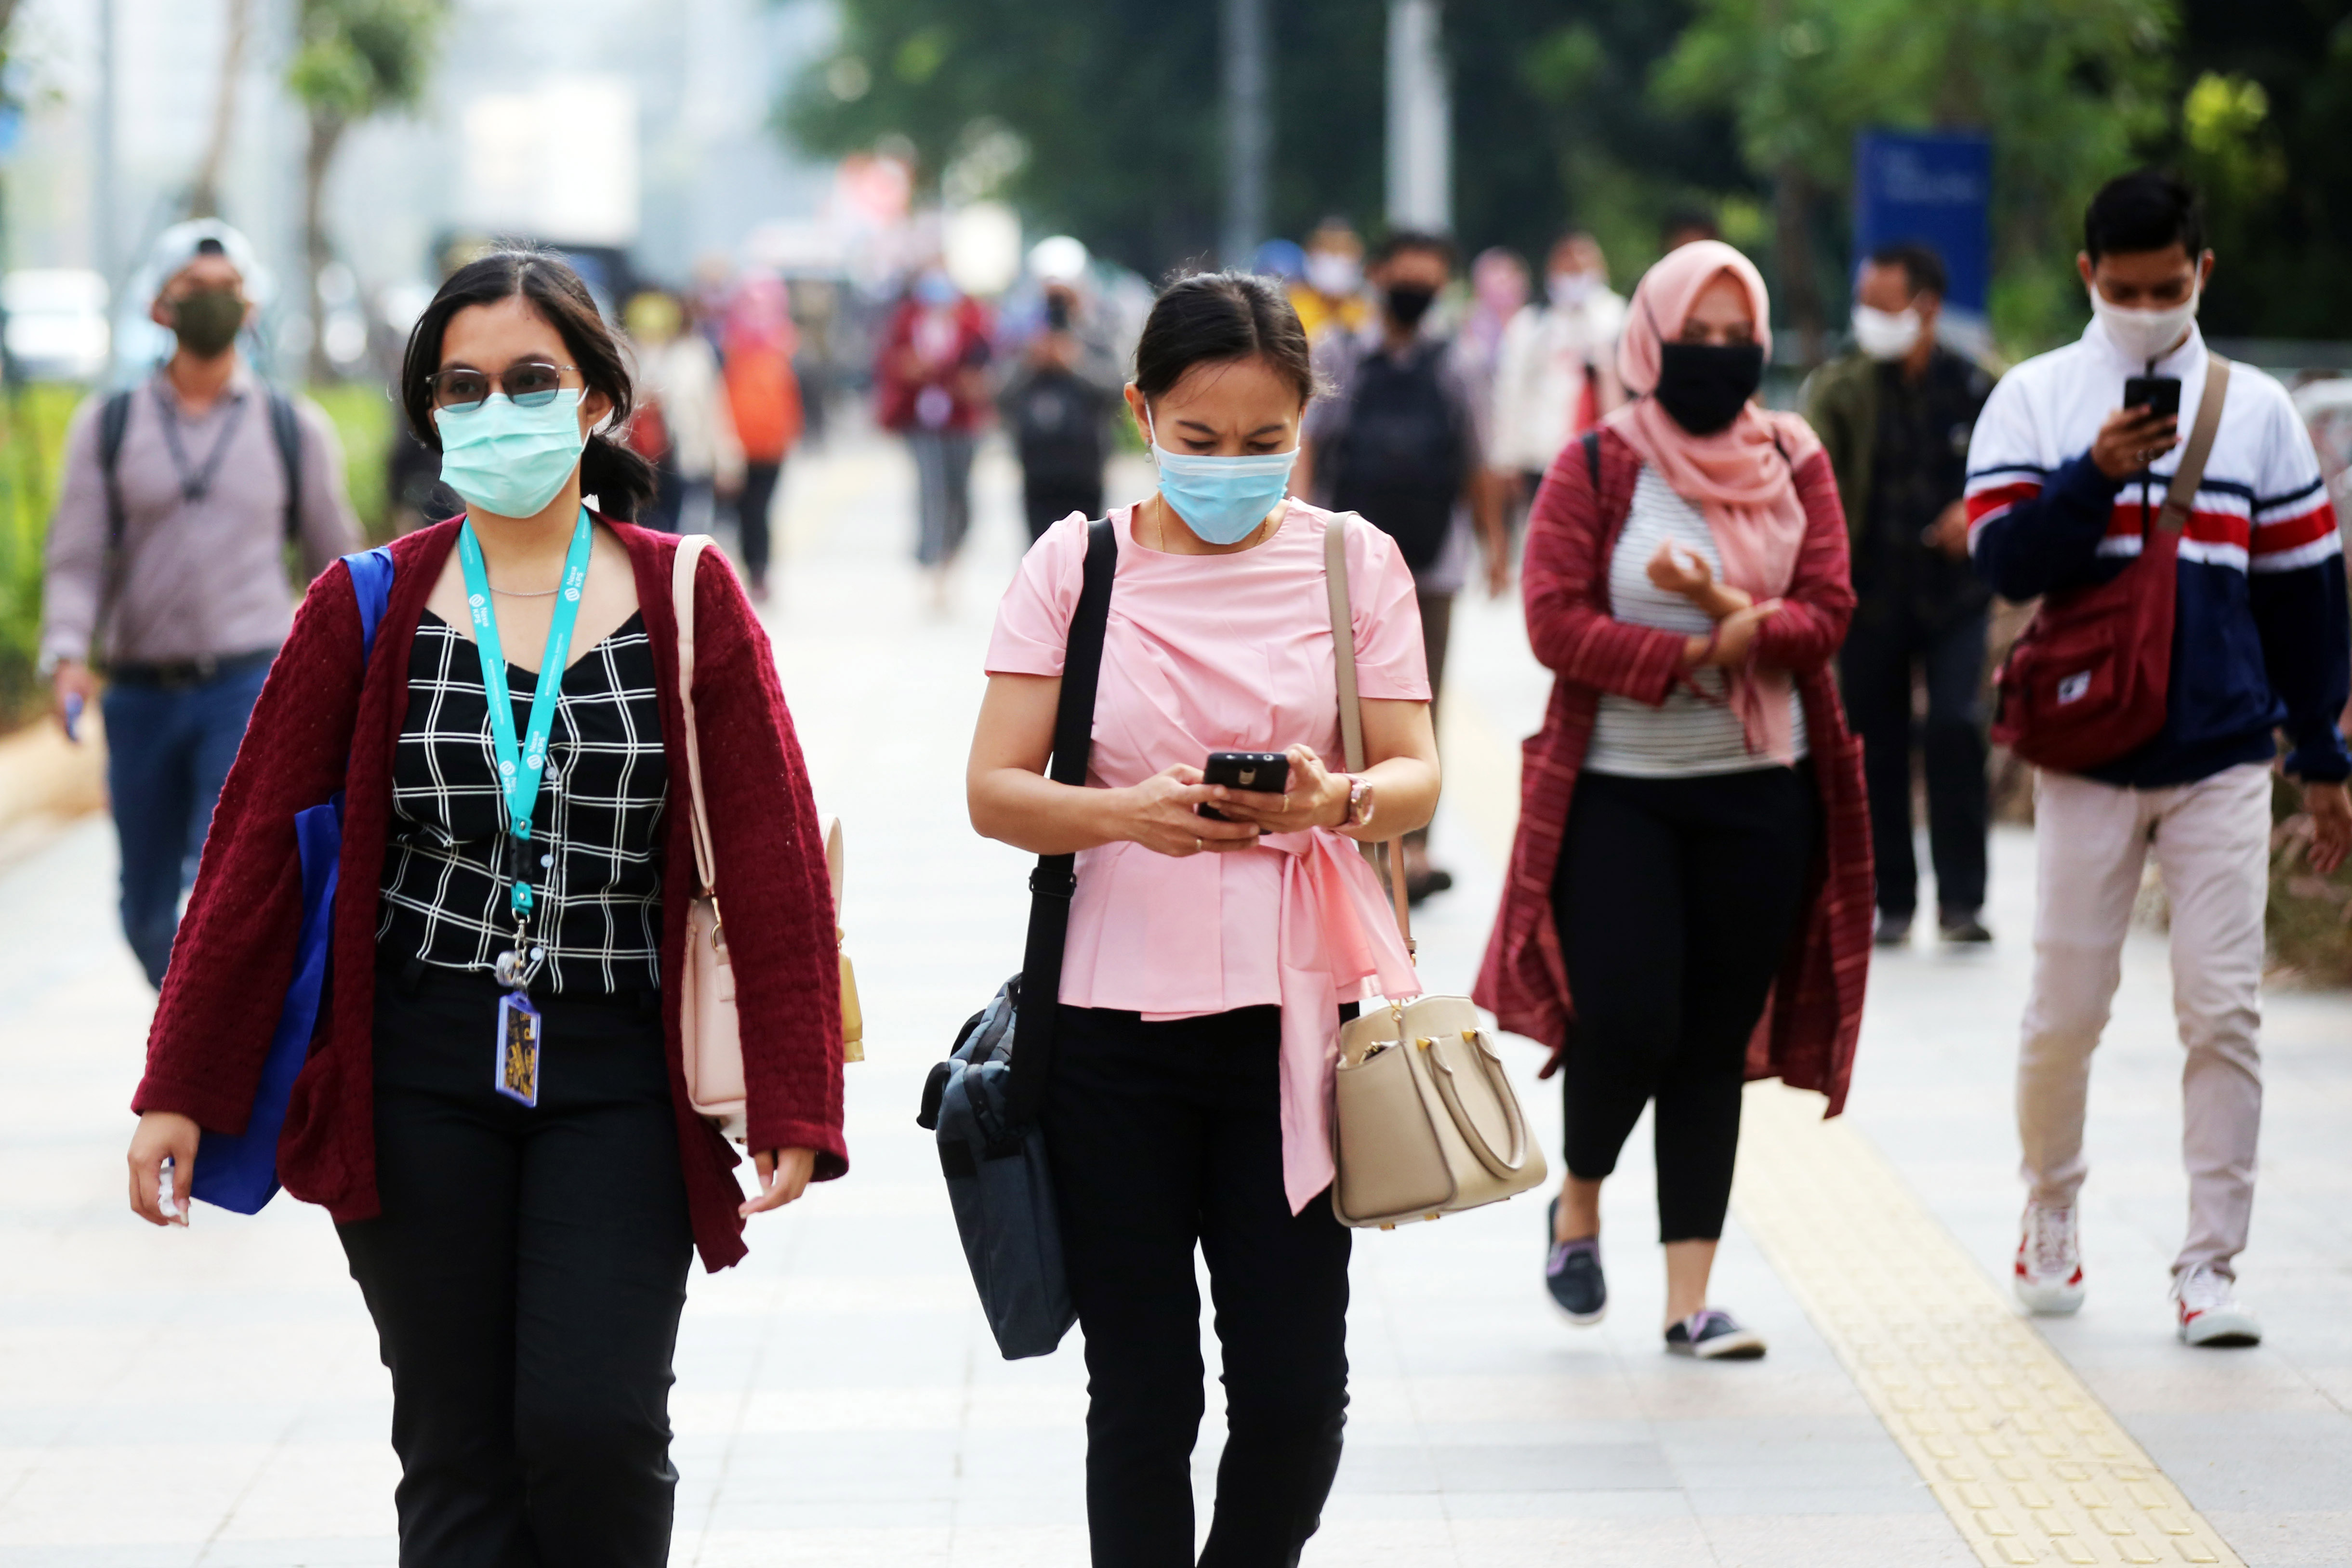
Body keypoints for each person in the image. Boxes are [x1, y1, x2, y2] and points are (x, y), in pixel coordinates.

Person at [122, 250, 849, 1565]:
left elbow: (771, 853)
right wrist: (179, 1079)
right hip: (421, 1060)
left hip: (621, 1066)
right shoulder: (367, 600)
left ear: (595, 401)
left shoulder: (688, 595)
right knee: (454, 1443)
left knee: (595, 1422)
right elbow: (248, 864)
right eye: (465, 386)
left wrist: (796, 1096)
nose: (497, 407)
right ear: (431, 412)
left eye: (530, 379)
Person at [967, 270, 1439, 1564]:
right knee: (1144, 1393)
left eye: (1263, 442)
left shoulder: (1356, 561)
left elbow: (1415, 769)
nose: (1232, 467)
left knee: (1293, 1391)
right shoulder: (1079, 565)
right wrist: (1126, 812)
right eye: (1198, 440)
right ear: (1141, 413)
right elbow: (994, 788)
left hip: (1294, 1030)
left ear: (1305, 423)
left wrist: (1331, 794)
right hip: (1109, 1031)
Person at [1967, 170, 2351, 1346]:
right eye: (2123, 288)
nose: (2144, 307)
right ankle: (2050, 1209)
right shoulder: (2035, 398)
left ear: (2202, 273)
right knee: (2065, 1009)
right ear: (2088, 276)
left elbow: (2303, 595)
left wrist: (2322, 749)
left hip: (2225, 749)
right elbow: (2004, 561)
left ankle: (2209, 1267)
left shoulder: (2257, 412)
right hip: (2086, 751)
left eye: (2166, 287)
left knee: (2220, 1010)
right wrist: (2093, 473)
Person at [1474, 240, 1872, 1360]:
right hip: (1619, 794)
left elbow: (1829, 608)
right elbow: (1552, 622)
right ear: (1647, 342)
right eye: (1690, 338)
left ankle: (1688, 1299)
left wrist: (1752, 630)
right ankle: (1580, 1199)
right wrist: (1689, 657)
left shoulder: (1794, 458)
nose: (1715, 357)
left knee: (1710, 1040)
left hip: (1762, 792)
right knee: (1632, 1016)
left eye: (1732, 337)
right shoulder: (1595, 467)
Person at [40, 219, 361, 988]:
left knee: (225, 890)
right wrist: (66, 655)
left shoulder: (293, 429)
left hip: (248, 688)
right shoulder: (108, 427)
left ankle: (219, 1077)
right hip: (141, 695)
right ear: (159, 308)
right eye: (194, 292)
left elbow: (337, 566)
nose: (213, 306)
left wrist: (355, 675)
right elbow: (78, 556)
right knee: (147, 911)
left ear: (251, 310)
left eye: (228, 292)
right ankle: (198, 1026)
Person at [1299, 229, 1506, 903]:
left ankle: (1412, 847)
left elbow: (1477, 459)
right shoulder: (1339, 354)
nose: (1416, 289)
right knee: (1340, 704)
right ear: (1379, 275)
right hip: (1344, 566)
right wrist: (1299, 529)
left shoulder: (1457, 363)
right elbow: (1308, 448)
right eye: (1406, 274)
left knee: (1422, 705)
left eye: (1430, 277)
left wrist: (1494, 543)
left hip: (1431, 565)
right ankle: (1353, 839)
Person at [1805, 241, 1997, 946]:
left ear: (1926, 307)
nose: (1870, 318)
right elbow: (1811, 471)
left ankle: (1963, 901)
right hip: (1868, 593)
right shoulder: (1841, 388)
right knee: (1874, 744)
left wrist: (1978, 511)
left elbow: (2016, 474)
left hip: (1956, 596)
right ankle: (1891, 898)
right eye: (1865, 304)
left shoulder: (1976, 388)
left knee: (1952, 725)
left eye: (1884, 305)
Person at [1491, 231, 1628, 540]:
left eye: (1583, 266)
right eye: (1567, 267)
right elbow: (1510, 392)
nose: (1575, 274)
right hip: (1542, 458)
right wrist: (1507, 459)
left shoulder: (1618, 318)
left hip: (1601, 457)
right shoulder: (1531, 324)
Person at [876, 266, 992, 605]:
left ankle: (953, 555)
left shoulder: (973, 325)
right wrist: (909, 369)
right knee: (931, 491)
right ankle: (931, 562)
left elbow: (987, 368)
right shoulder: (907, 324)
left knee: (960, 492)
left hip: (961, 422)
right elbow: (890, 363)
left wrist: (967, 382)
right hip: (921, 422)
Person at [998, 270, 1123, 541]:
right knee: (1040, 551)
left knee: (1086, 551)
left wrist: (1076, 363)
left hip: (1085, 466)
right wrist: (1030, 364)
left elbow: (1116, 390)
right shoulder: (1027, 343)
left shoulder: (1096, 338)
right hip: (1038, 466)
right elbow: (999, 393)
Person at [625, 289, 745, 538]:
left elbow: (714, 412)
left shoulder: (694, 356)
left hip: (681, 461)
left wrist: (727, 462)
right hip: (633, 463)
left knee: (679, 534)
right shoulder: (623, 353)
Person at [719, 273, 802, 600]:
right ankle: (749, 567)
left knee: (760, 510)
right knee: (742, 511)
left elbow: (795, 396)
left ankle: (759, 571)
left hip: (772, 447)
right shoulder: (728, 345)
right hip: (736, 447)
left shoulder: (785, 343)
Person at [1289, 217, 1371, 344]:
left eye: (1343, 251)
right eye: (1328, 250)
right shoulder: (1294, 309)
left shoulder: (1366, 312)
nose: (1335, 259)